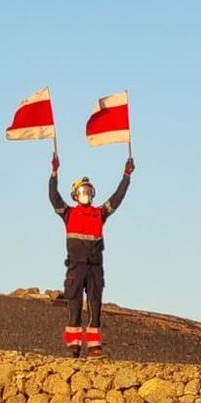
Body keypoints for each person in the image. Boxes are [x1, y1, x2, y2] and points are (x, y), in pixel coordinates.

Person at [49, 153, 134, 357]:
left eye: (88, 190)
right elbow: (54, 197)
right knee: (75, 306)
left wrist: (126, 176)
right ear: (75, 195)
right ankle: (74, 346)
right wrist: (54, 173)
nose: (86, 192)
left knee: (95, 305)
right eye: (82, 190)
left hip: (95, 267)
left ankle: (95, 347)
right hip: (76, 267)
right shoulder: (68, 213)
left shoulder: (99, 213)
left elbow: (117, 198)